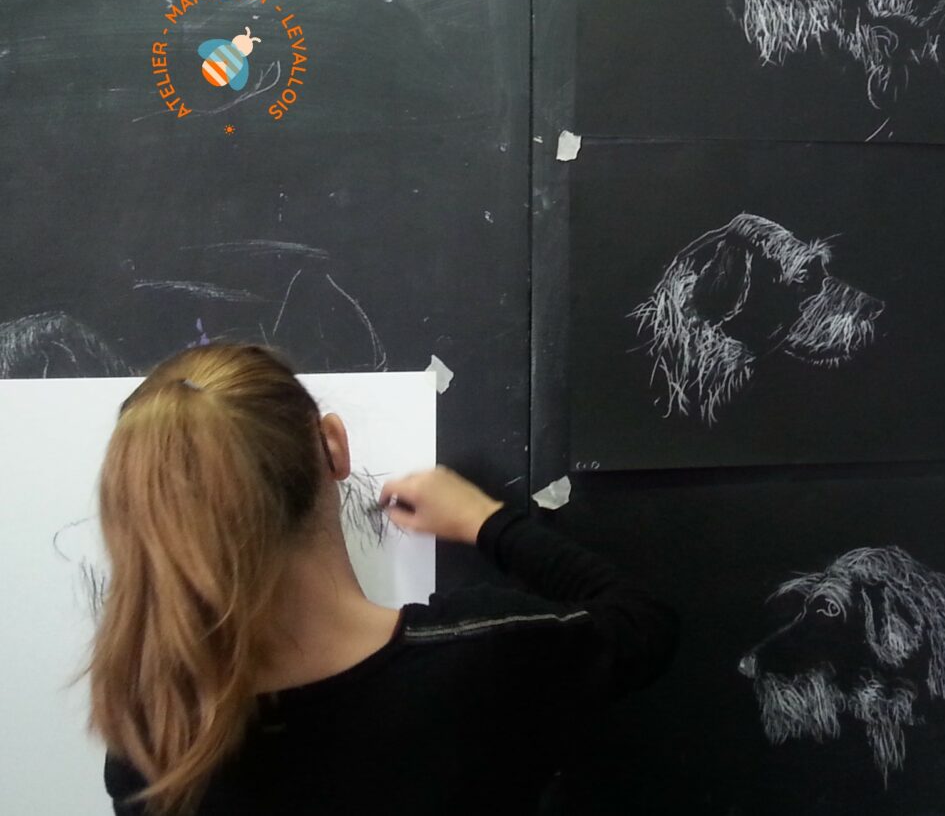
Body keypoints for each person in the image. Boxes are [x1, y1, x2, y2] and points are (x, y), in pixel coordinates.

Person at [90, 344, 678, 815]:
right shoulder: (484, 657)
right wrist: (485, 521)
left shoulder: (152, 746)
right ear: (333, 444)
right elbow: (642, 620)